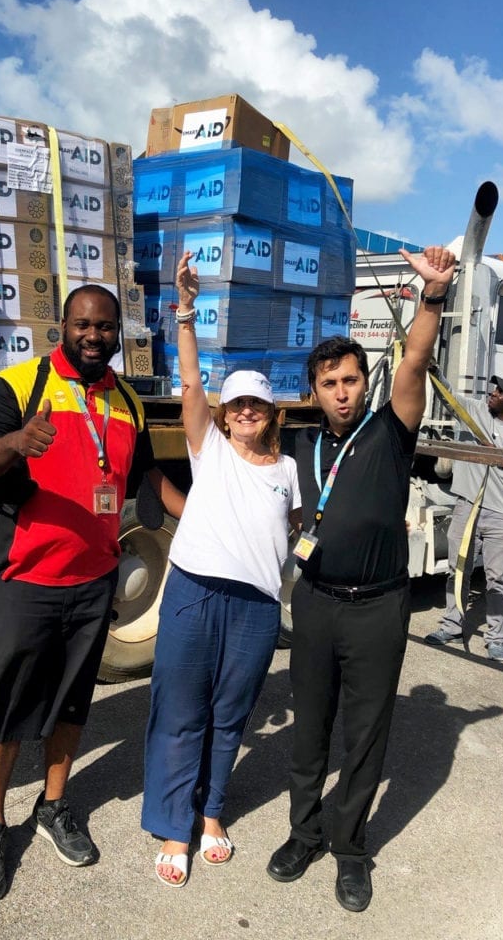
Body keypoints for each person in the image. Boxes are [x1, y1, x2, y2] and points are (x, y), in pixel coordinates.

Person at [0, 283, 183, 900]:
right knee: (5, 705)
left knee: (72, 702)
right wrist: (13, 443)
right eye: (82, 325)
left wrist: (198, 521)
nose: (93, 336)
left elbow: (143, 480)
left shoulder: (127, 402)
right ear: (62, 326)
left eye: (105, 327)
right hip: (23, 580)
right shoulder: (19, 386)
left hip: (93, 581)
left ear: (118, 333)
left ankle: (54, 805)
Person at [266, 246, 457, 913]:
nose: (343, 392)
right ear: (314, 390)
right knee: (310, 728)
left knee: (366, 732)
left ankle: (349, 850)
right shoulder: (298, 443)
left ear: (361, 383)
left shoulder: (390, 429)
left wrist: (430, 298)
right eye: (330, 384)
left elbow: (415, 362)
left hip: (378, 608)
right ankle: (303, 833)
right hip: (316, 603)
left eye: (350, 379)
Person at [141, 252, 301, 889]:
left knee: (230, 715)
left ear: (270, 413)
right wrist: (185, 311)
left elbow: (292, 533)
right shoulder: (208, 447)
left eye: (254, 406)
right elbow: (188, 384)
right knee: (181, 711)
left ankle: (211, 813)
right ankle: (174, 824)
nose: (243, 412)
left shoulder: (287, 472)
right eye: (235, 404)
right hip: (194, 595)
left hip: (258, 609)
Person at [425, 374, 503, 661]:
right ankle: (452, 626)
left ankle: (496, 638)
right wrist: (434, 371)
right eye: (494, 388)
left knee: (498, 579)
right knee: (458, 570)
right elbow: (447, 396)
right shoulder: (475, 411)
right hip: (468, 506)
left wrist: (500, 456)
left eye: (501, 391)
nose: (493, 393)